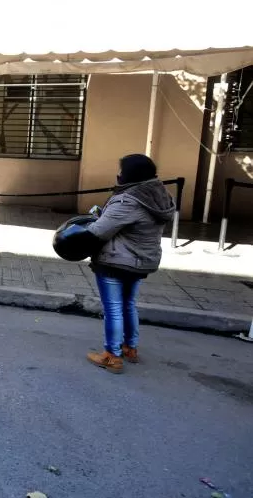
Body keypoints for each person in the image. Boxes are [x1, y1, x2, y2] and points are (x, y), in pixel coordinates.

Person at [80, 154, 175, 374]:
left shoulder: (129, 200)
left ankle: (111, 356)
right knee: (128, 303)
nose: (118, 175)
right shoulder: (159, 195)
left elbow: (100, 230)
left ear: (130, 175)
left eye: (121, 171)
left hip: (117, 260)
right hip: (142, 259)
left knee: (113, 308)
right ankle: (129, 348)